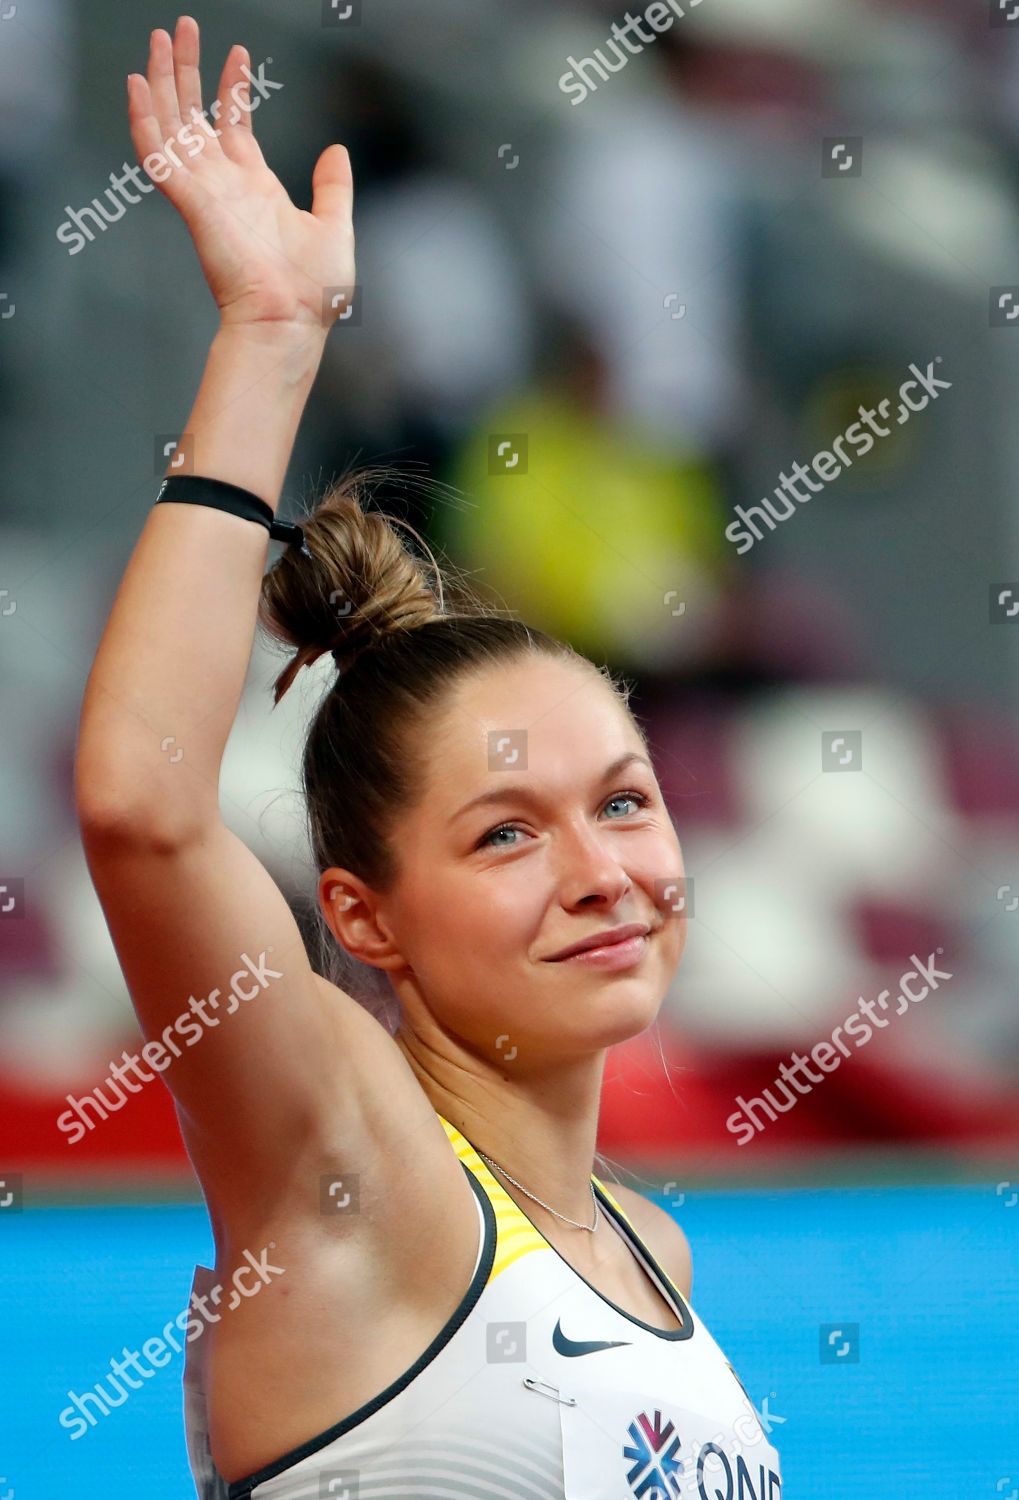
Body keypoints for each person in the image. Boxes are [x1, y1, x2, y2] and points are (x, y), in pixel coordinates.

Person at [75, 17, 783, 1498]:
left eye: (625, 803)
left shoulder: (654, 1245)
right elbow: (144, 809)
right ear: (361, 917)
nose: (605, 874)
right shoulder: (349, 1165)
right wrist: (272, 338)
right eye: (507, 834)